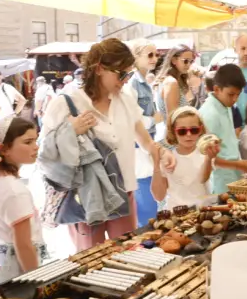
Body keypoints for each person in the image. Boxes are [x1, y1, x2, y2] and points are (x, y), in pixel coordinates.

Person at [39, 39, 175, 250]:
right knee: (91, 262)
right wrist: (71, 130)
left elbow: (146, 142)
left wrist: (162, 152)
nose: (124, 80)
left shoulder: (125, 99)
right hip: (85, 198)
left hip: (123, 195)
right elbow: (45, 153)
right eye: (121, 74)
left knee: (127, 258)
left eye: (128, 74)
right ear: (100, 68)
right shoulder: (66, 103)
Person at [0, 116, 48, 283]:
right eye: (28, 142)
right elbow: (23, 245)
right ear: (4, 149)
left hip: (3, 262)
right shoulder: (14, 191)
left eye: (35, 140)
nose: (35, 147)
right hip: (18, 269)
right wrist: (36, 281)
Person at [198, 64, 247, 194]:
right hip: (220, 182)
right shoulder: (210, 114)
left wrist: (240, 162)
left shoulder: (226, 105)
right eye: (231, 94)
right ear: (217, 89)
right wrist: (238, 164)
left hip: (233, 176)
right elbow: (208, 157)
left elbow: (228, 144)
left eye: (238, 94)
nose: (235, 99)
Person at [124, 40, 162, 224]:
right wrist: (154, 119)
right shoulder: (132, 84)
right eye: (150, 55)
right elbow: (131, 120)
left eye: (156, 55)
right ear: (136, 58)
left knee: (149, 197)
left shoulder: (143, 82)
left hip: (146, 144)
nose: (154, 59)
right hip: (139, 148)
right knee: (146, 199)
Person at [150, 107, 215, 208]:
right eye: (182, 131)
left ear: (200, 129)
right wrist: (156, 164)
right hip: (176, 214)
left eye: (194, 130)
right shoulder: (168, 158)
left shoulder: (206, 154)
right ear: (173, 131)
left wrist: (209, 159)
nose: (188, 135)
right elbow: (159, 196)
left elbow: (202, 178)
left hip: (202, 212)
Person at [155, 45, 197, 124]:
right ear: (174, 60)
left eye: (191, 61)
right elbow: (173, 118)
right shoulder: (171, 82)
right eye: (185, 61)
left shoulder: (171, 81)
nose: (188, 65)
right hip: (176, 133)